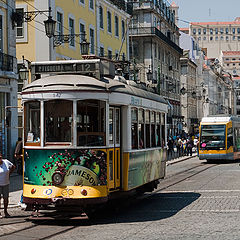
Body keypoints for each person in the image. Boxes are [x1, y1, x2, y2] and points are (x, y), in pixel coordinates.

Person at [0, 153, 16, 218]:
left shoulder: (6, 162)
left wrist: (9, 173)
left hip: (6, 183)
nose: (0, 159)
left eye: (0, 157)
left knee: (6, 198)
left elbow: (13, 167)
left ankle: (5, 211)